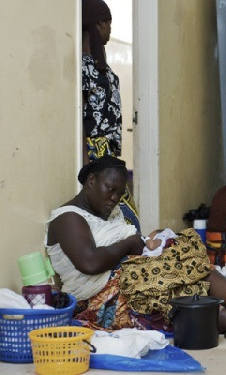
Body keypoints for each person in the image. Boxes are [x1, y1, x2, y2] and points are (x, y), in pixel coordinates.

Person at [46, 155, 226, 335]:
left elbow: (132, 246)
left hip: (131, 277)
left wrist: (150, 241)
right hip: (101, 300)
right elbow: (90, 262)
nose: (115, 198)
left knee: (192, 283)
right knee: (183, 293)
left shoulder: (107, 210)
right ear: (90, 181)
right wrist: (130, 243)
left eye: (120, 193)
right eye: (110, 189)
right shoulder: (68, 218)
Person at [82, 0, 140, 231]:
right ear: (98, 24)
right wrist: (86, 166)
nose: (110, 28)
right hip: (96, 154)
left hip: (110, 156)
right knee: (122, 221)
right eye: (107, 22)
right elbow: (80, 118)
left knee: (126, 222)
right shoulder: (84, 68)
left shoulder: (101, 68)